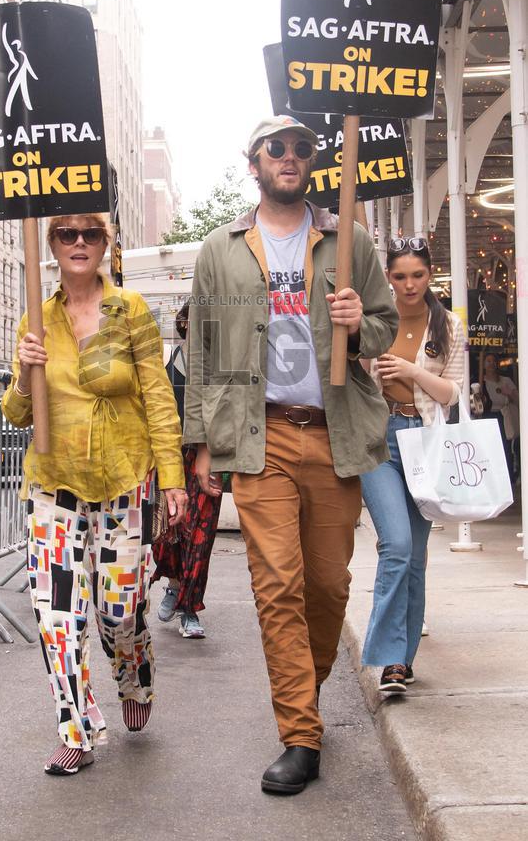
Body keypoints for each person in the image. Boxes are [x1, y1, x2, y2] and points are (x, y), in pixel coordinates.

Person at [184, 116, 398, 795]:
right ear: (254, 163)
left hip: (333, 432)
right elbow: (204, 352)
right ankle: (301, 734)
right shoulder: (221, 248)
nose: (290, 156)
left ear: (314, 163)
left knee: (329, 587)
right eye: (276, 147)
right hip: (260, 434)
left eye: (303, 148)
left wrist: (356, 323)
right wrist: (198, 445)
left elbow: (387, 324)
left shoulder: (348, 239)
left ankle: (303, 689)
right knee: (277, 585)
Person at [1, 213, 187, 775]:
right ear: (52, 244)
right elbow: (16, 414)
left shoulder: (127, 311)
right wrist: (21, 374)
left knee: (116, 609)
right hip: (53, 484)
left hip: (122, 479)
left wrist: (172, 478)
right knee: (57, 615)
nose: (79, 243)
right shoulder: (36, 315)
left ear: (107, 244)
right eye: (66, 234)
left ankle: (134, 672)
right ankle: (75, 728)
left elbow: (156, 395)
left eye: (91, 234)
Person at [361, 236, 465, 694]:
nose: (409, 285)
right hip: (377, 440)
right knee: (397, 545)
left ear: (430, 274)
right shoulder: (373, 320)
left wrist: (412, 372)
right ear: (388, 277)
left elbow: (453, 393)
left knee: (416, 556)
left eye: (418, 275)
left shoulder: (448, 325)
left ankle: (401, 663)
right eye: (400, 276)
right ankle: (386, 655)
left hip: (425, 442)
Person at [152, 302, 223, 638]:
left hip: (207, 456)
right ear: (182, 323)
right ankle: (175, 583)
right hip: (169, 457)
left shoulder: (221, 368)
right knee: (169, 535)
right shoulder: (165, 363)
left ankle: (190, 608)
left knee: (200, 535)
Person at [482, 353, 519, 482]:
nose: (491, 363)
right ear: (483, 364)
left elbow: (519, 400)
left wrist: (509, 393)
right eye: (488, 360)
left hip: (503, 416)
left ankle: (508, 479)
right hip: (487, 417)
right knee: (489, 450)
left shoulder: (505, 380)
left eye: (493, 361)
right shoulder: (481, 382)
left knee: (506, 448)